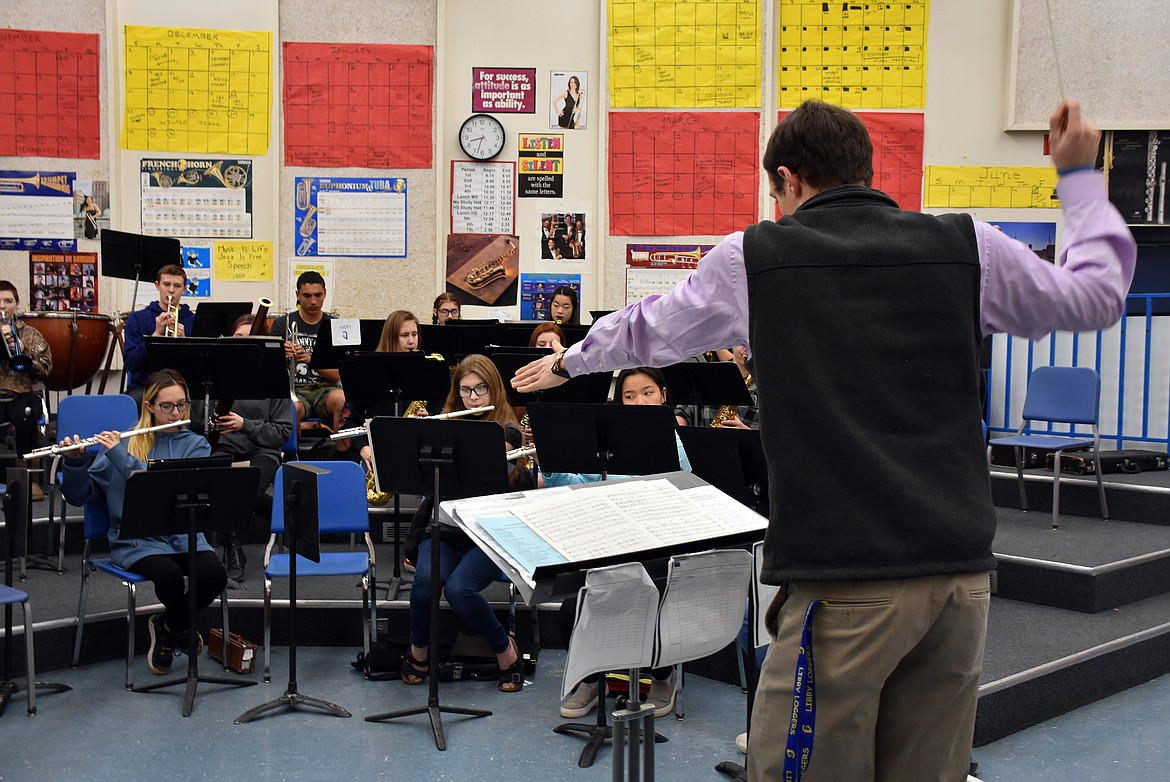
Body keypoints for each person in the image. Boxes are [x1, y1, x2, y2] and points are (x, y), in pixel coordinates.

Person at [513, 99, 1136, 781]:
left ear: (789, 179)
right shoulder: (968, 246)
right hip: (959, 580)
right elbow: (1096, 298)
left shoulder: (756, 258)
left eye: (774, 193)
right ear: (864, 171)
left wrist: (571, 361)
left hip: (847, 580)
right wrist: (1079, 179)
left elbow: (651, 329)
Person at [544, 367, 692, 719]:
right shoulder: (605, 442)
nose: (639, 401)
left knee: (653, 604)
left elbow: (687, 494)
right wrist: (550, 463)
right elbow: (576, 482)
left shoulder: (677, 443)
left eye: (647, 392)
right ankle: (593, 680)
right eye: (630, 396)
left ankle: (663, 675)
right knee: (571, 611)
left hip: (659, 551)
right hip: (609, 548)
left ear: (663, 396)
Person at [59, 369, 227, 676]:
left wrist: (119, 457)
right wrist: (74, 461)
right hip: (136, 541)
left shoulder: (195, 445)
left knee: (215, 574)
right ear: (148, 406)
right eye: (167, 406)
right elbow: (79, 495)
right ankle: (180, 629)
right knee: (169, 575)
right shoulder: (124, 443)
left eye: (182, 404)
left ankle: (168, 625)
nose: (176, 413)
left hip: (183, 534)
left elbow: (158, 487)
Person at [402, 354, 527, 693]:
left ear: (494, 390)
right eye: (465, 390)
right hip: (443, 530)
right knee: (426, 581)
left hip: (486, 534)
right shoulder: (443, 423)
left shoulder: (509, 431)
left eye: (480, 390)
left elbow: (482, 475)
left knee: (459, 589)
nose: (472, 398)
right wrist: (421, 436)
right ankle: (419, 651)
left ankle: (504, 649)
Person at [192, 314, 294, 584]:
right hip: (223, 448)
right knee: (224, 483)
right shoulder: (214, 376)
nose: (243, 344)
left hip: (261, 451)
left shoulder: (274, 380)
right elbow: (197, 422)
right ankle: (235, 546)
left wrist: (245, 424)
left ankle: (237, 546)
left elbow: (282, 433)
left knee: (243, 486)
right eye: (238, 338)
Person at [269, 271, 344, 431]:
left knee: (342, 400)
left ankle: (342, 453)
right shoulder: (282, 324)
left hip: (326, 389)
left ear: (325, 294)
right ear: (297, 295)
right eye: (307, 296)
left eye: (318, 295)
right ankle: (293, 455)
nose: (313, 301)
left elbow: (338, 375)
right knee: (291, 408)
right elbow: (269, 368)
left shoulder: (335, 325)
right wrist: (280, 356)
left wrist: (310, 360)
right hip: (295, 389)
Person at [0, 281, 52, 500]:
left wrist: (22, 349)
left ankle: (28, 479)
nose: (3, 307)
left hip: (21, 394)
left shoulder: (30, 333)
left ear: (17, 304)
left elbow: (47, 366)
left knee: (26, 415)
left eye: (8, 301)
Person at [122, 264, 194, 403]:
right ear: (157, 285)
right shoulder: (137, 318)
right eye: (166, 284)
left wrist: (184, 341)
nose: (171, 290)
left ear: (185, 289)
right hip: (146, 386)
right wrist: (155, 335)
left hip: (183, 387)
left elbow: (196, 369)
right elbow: (132, 364)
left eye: (177, 286)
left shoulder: (192, 320)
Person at [674, 345, 759, 430]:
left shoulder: (768, 386)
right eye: (742, 343)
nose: (746, 349)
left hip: (747, 442)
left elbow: (770, 435)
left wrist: (746, 431)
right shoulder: (709, 373)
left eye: (751, 344)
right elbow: (682, 413)